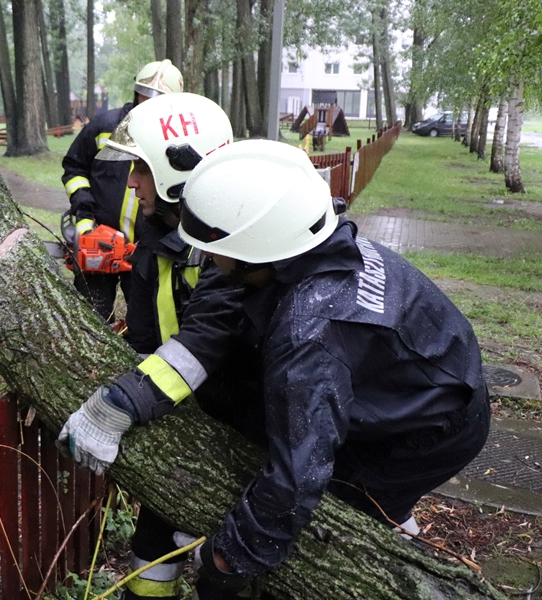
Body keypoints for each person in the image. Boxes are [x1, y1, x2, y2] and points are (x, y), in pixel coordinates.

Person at [61, 139, 491, 596]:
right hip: (413, 375)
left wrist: (224, 559)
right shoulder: (303, 249)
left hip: (426, 433)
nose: (206, 259)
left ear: (254, 251)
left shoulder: (309, 335)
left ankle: (385, 546)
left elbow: (296, 478)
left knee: (327, 523)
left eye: (213, 248)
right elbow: (217, 315)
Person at [62, 92, 246, 600]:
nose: (131, 183)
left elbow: (208, 341)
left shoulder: (230, 245)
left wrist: (121, 403)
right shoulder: (155, 235)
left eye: (141, 169)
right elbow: (146, 341)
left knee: (225, 580)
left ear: (176, 173)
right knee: (150, 555)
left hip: (246, 442)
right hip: (188, 421)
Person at [61, 59, 183, 321]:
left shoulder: (175, 139)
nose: (149, 102)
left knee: (144, 321)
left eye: (159, 98)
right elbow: (74, 167)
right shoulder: (105, 127)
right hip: (98, 240)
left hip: (146, 248)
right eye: (145, 94)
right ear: (136, 93)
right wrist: (85, 216)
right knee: (91, 320)